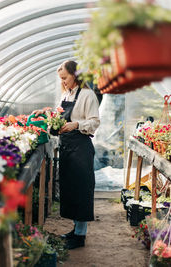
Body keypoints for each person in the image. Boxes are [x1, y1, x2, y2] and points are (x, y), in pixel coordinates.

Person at [32, 60, 100, 249]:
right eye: (61, 79)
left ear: (75, 75)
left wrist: (76, 124)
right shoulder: (66, 94)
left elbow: (94, 121)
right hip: (67, 147)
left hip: (81, 147)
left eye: (65, 78)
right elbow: (58, 115)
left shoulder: (87, 95)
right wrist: (45, 114)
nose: (63, 82)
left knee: (82, 189)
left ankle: (80, 235)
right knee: (70, 188)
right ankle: (75, 229)